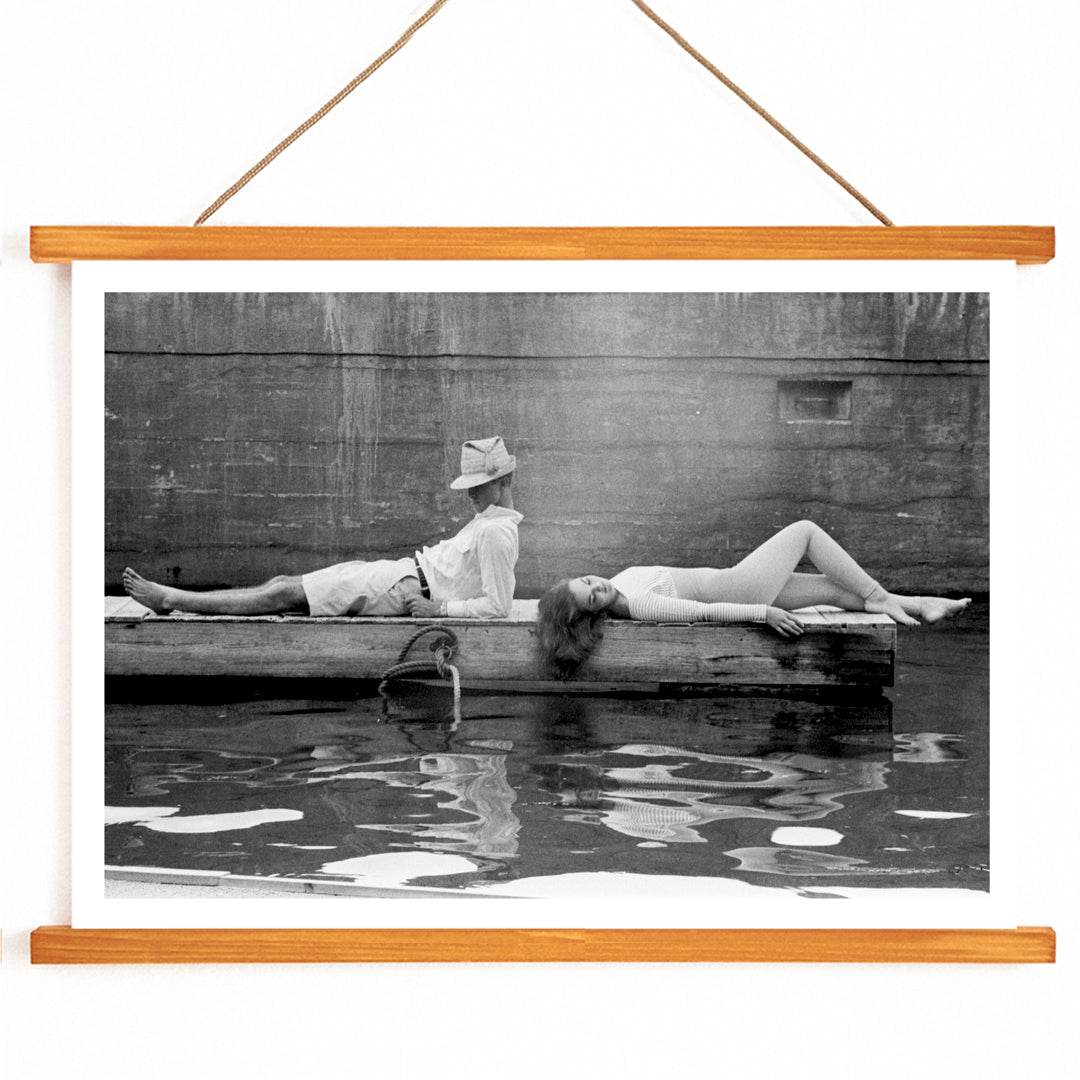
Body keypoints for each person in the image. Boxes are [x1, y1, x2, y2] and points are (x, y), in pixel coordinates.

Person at [122, 436, 523, 620]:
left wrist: (440, 610)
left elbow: (498, 607)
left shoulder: (494, 532)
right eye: (469, 487)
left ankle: (172, 599)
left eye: (479, 486)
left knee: (282, 593)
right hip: (401, 575)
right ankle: (175, 598)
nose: (470, 495)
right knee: (283, 582)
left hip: (405, 588)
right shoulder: (490, 522)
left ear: (504, 482)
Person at [536, 519, 971, 679]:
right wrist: (764, 611)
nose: (599, 588)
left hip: (735, 581)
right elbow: (706, 613)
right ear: (592, 615)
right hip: (741, 589)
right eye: (592, 598)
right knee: (805, 532)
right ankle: (882, 596)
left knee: (834, 590)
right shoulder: (638, 605)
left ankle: (920, 604)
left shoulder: (617, 583)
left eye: (588, 581)